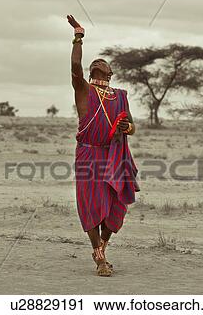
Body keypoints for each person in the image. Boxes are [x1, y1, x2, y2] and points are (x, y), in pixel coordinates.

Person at [67, 15, 139, 277]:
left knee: (116, 204)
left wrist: (126, 128)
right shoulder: (84, 90)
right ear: (91, 72)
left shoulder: (120, 95)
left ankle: (102, 246)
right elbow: (75, 64)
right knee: (90, 204)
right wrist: (78, 36)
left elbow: (131, 125)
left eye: (104, 63)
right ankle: (100, 258)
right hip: (88, 154)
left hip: (114, 156)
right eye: (95, 63)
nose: (100, 62)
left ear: (110, 72)